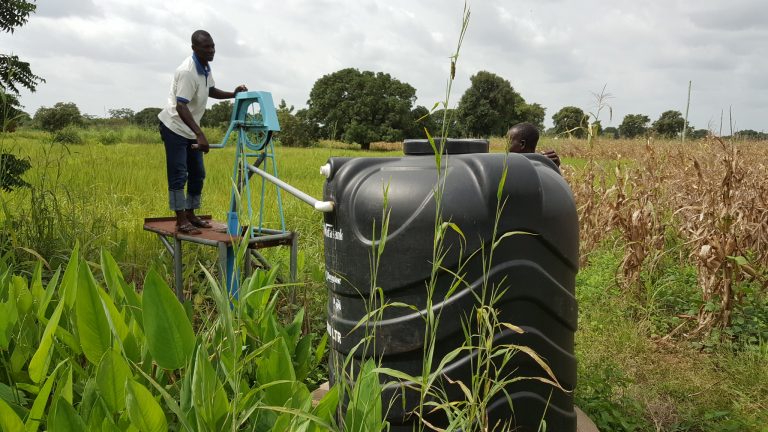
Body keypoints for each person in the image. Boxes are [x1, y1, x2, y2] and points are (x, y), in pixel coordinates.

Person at [158, 29, 247, 234]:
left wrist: (233, 94)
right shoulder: (188, 71)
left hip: (189, 128)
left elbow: (210, 90)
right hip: (174, 127)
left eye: (213, 46)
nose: (211, 50)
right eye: (206, 47)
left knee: (198, 173)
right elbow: (181, 106)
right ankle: (181, 220)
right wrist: (200, 133)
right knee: (179, 173)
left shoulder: (205, 68)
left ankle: (191, 214)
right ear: (194, 48)